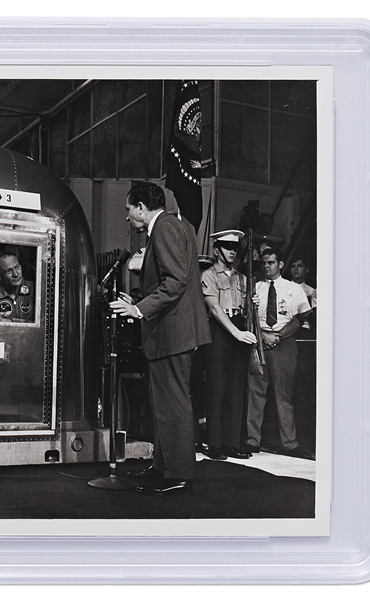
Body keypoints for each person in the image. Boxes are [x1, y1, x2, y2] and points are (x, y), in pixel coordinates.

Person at [109, 182, 211, 495]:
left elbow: (175, 282)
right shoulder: (177, 226)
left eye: (129, 210)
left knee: (173, 404)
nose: (128, 218)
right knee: (165, 404)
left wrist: (138, 309)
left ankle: (178, 475)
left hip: (173, 332)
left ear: (141, 207)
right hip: (175, 331)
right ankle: (162, 468)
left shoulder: (165, 228)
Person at [245, 247, 313, 459]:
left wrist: (278, 336)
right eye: (264, 263)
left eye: (271, 262)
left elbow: (301, 318)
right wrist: (263, 335)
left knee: (283, 394)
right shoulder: (255, 288)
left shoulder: (293, 289)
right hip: (259, 342)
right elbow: (248, 316)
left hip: (284, 344)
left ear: (280, 265)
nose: (267, 266)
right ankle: (251, 440)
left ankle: (289, 443)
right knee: (255, 392)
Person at [200, 230, 258, 460]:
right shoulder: (208, 275)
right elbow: (214, 308)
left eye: (235, 248)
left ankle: (233, 442)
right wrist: (235, 333)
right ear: (217, 250)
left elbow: (247, 309)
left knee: (236, 387)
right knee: (217, 386)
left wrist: (253, 304)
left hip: (240, 327)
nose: (232, 251)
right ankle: (215, 444)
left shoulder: (242, 278)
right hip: (221, 330)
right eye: (227, 247)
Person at [0, 251, 35, 322]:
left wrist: (11, 321)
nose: (16, 274)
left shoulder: (35, 289)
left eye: (17, 267)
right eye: (8, 271)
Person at [289, 256, 317, 338]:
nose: (296, 269)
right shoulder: (284, 288)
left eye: (299, 266)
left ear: (306, 270)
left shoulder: (311, 291)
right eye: (293, 266)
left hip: (304, 329)